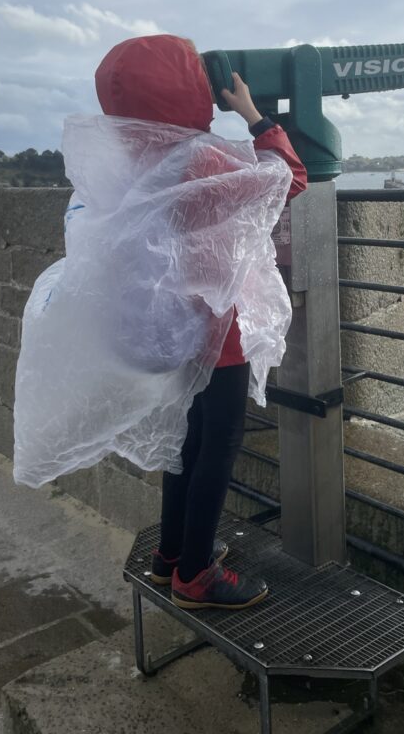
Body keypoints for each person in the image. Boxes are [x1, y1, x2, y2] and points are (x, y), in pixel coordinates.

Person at [93, 34, 307, 610]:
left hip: (176, 322)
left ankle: (171, 555)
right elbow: (286, 180)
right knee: (220, 444)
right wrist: (256, 116)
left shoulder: (139, 160)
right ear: (181, 89)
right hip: (220, 327)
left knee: (188, 441)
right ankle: (195, 574)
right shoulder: (201, 158)